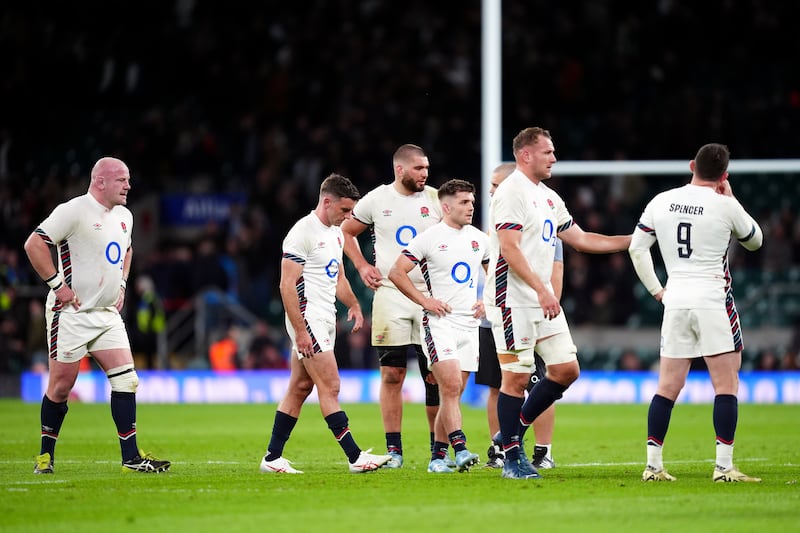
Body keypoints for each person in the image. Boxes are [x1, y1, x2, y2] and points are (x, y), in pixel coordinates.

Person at [484, 127, 631, 479]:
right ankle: (513, 458)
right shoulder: (510, 192)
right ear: (526, 155)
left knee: (566, 370)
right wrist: (543, 288)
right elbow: (509, 248)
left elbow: (580, 239)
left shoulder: (548, 196)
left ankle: (511, 433)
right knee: (516, 379)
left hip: (540, 299)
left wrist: (633, 241)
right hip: (513, 300)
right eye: (548, 152)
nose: (554, 157)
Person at [23, 156, 170, 474]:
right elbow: (34, 244)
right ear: (100, 181)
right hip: (71, 313)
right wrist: (57, 286)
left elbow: (127, 249)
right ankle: (45, 456)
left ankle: (130, 458)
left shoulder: (125, 216)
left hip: (106, 314)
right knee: (62, 386)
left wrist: (122, 283)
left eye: (128, 179)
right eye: (122, 179)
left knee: (127, 380)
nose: (128, 185)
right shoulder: (73, 211)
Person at [628, 143, 764, 483]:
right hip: (712, 300)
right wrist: (731, 198)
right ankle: (723, 467)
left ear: (692, 166)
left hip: (675, 299)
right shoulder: (724, 204)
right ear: (724, 175)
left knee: (667, 387)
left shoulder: (661, 200)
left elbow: (636, 247)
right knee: (726, 385)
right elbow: (755, 240)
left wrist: (657, 290)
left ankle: (653, 466)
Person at [260, 173, 391, 474]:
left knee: (300, 387)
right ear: (327, 201)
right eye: (344, 211)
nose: (348, 217)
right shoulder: (302, 233)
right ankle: (356, 457)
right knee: (330, 386)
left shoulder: (334, 233)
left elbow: (339, 277)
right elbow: (286, 285)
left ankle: (272, 458)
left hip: (324, 316)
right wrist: (302, 332)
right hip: (308, 319)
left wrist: (354, 304)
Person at [341, 144, 444, 468]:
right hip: (390, 295)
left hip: (431, 295)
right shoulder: (376, 200)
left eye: (426, 168)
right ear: (400, 169)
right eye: (418, 168)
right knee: (392, 374)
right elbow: (345, 232)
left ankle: (437, 452)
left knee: (435, 376)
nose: (424, 174)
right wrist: (360, 266)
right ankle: (395, 451)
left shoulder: (436, 199)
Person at [388, 179, 488, 473]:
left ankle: (437, 458)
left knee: (454, 393)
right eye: (464, 202)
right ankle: (461, 447)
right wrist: (425, 301)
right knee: (450, 384)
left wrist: (487, 300)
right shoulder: (429, 238)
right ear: (446, 206)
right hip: (440, 323)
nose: (471, 207)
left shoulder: (480, 239)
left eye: (472, 202)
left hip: (469, 324)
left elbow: (493, 273)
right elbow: (397, 272)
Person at [478, 162, 560, 470]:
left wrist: (551, 306)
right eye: (492, 187)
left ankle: (543, 450)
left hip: (528, 313)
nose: (492, 192)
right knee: (497, 385)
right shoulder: (489, 229)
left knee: (537, 381)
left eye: (497, 186)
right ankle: (500, 449)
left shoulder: (539, 222)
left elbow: (557, 268)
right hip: (492, 316)